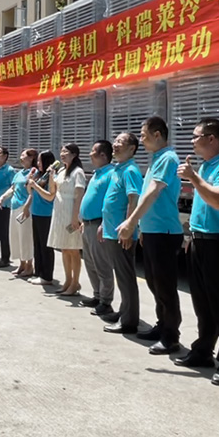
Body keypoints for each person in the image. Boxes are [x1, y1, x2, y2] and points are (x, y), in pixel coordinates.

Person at [176, 118, 219, 386]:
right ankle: (203, 350)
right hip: (198, 241)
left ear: (212, 138)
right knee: (202, 303)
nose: (192, 141)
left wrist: (193, 177)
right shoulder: (205, 166)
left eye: (196, 136)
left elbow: (218, 200)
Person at [117, 117, 185, 355]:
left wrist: (131, 221)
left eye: (144, 135)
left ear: (158, 135)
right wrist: (143, 229)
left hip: (165, 232)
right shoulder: (157, 159)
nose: (142, 139)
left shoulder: (168, 158)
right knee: (155, 285)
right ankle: (162, 325)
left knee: (165, 287)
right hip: (153, 231)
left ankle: (171, 337)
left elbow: (153, 193)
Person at [101, 132, 144, 335]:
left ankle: (129, 321)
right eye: (115, 141)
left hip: (122, 234)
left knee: (126, 278)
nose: (115, 145)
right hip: (111, 231)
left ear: (132, 148)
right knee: (120, 276)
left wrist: (128, 229)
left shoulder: (130, 171)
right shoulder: (119, 168)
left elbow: (133, 200)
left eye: (121, 143)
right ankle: (123, 312)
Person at [78, 140, 117, 320]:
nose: (89, 155)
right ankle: (97, 295)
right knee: (90, 262)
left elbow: (110, 201)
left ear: (103, 155)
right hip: (87, 224)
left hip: (98, 224)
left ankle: (106, 302)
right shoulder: (96, 174)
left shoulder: (111, 174)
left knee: (102, 265)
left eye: (93, 151)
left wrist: (104, 223)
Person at [46, 144, 86, 296]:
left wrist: (76, 217)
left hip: (71, 212)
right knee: (64, 248)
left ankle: (75, 283)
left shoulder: (78, 172)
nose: (62, 154)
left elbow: (79, 195)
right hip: (59, 211)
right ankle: (68, 281)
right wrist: (51, 175)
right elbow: (53, 190)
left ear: (74, 154)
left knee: (73, 249)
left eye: (66, 152)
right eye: (61, 151)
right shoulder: (62, 171)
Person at [0, 148, 37, 278]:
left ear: (31, 158)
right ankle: (22, 263)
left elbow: (34, 191)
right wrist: (3, 197)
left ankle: (29, 265)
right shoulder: (19, 173)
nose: (21, 157)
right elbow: (13, 188)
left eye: (24, 155)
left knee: (26, 237)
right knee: (16, 236)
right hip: (14, 207)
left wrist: (27, 206)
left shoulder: (33, 172)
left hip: (25, 208)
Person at [24, 150, 56, 286]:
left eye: (40, 161)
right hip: (36, 212)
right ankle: (38, 272)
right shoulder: (38, 174)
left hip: (46, 214)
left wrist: (35, 185)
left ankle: (47, 276)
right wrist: (30, 180)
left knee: (45, 246)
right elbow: (29, 191)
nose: (37, 164)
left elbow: (50, 195)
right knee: (37, 244)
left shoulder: (51, 176)